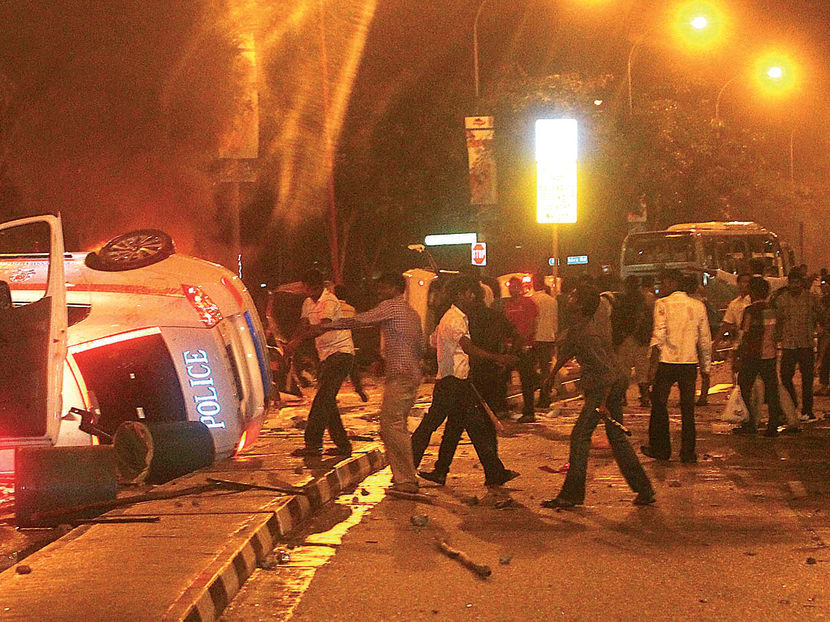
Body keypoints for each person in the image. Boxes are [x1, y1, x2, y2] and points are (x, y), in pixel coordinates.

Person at [541, 284, 655, 508]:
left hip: (605, 388)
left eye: (574, 296)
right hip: (606, 384)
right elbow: (568, 350)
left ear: (581, 305)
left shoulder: (588, 334)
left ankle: (572, 493)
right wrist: (552, 374)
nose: (569, 298)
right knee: (617, 437)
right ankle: (644, 489)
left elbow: (606, 373)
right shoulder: (580, 327)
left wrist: (602, 404)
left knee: (580, 436)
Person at [311, 273, 424, 493]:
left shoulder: (391, 307)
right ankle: (406, 476)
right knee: (395, 425)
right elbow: (419, 346)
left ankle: (406, 481)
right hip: (410, 373)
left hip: (400, 375)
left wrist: (326, 327)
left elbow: (360, 320)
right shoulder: (411, 313)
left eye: (383, 287)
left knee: (391, 426)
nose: (379, 292)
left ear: (394, 288)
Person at [412, 276, 519, 487]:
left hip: (455, 381)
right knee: (435, 425)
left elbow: (434, 342)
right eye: (470, 293)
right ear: (461, 294)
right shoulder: (454, 319)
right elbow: (468, 348)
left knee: (461, 427)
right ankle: (408, 466)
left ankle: (441, 470)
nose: (473, 297)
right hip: (452, 383)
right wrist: (499, 358)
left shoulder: (454, 317)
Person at [641, 270, 712, 463]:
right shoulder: (698, 306)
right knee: (687, 409)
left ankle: (661, 448)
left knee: (659, 404)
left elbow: (658, 336)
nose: (660, 286)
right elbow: (705, 339)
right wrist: (706, 368)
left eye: (663, 281)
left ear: (672, 282)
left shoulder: (662, 304)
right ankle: (688, 452)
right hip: (689, 363)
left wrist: (650, 368)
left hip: (667, 362)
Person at [291, 269, 355, 457]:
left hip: (340, 353)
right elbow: (303, 325)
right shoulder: (308, 303)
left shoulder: (329, 301)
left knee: (321, 401)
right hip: (326, 356)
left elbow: (322, 327)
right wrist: (292, 343)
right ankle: (343, 445)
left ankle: (312, 444)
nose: (307, 291)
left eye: (309, 288)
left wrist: (297, 341)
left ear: (318, 286)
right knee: (328, 402)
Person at [732, 277, 785, 436]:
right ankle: (773, 424)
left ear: (752, 291)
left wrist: (738, 356)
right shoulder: (774, 309)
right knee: (772, 388)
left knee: (744, 385)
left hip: (752, 355)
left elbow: (744, 335)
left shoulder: (750, 311)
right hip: (770, 354)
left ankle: (749, 422)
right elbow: (779, 333)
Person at [775, 269, 821, 422]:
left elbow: (821, 315)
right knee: (785, 376)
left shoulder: (811, 299)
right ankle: (792, 403)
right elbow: (778, 321)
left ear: (802, 283)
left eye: (797, 282)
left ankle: (807, 410)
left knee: (807, 379)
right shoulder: (781, 300)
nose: (794, 286)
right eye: (792, 282)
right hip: (788, 344)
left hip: (806, 343)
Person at [612, 276, 654, 408]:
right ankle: (645, 397)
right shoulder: (647, 300)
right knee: (642, 369)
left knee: (623, 370)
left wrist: (618, 339)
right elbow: (651, 320)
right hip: (642, 340)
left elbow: (616, 321)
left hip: (625, 339)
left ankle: (622, 397)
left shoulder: (620, 300)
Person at [503, 276, 538, 422]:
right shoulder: (507, 305)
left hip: (525, 347)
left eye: (516, 286)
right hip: (511, 347)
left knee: (526, 380)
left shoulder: (529, 303)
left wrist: (521, 340)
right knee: (503, 378)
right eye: (511, 287)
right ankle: (502, 408)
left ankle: (529, 412)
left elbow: (531, 326)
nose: (513, 289)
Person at [333, 284, 369, 403]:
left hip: (333, 345)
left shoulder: (330, 307)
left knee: (331, 372)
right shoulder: (351, 309)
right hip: (348, 344)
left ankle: (331, 395)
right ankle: (359, 389)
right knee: (353, 369)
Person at [531, 273, 558, 409]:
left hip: (534, 338)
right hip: (548, 338)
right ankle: (544, 398)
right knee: (545, 370)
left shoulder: (532, 300)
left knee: (529, 368)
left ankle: (536, 386)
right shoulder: (552, 300)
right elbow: (555, 321)